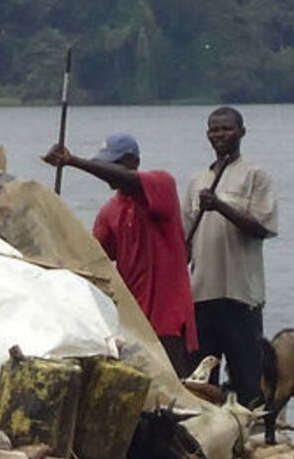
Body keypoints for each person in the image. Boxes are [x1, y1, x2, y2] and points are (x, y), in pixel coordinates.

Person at [43, 133, 196, 375]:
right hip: (132, 319)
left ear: (134, 162)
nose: (107, 172)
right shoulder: (110, 211)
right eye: (104, 165)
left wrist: (74, 161)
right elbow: (91, 259)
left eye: (113, 165)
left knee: (175, 383)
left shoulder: (162, 185)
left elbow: (128, 180)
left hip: (168, 316)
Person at [181, 107, 278, 408]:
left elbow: (261, 228)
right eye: (214, 129)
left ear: (241, 132)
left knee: (247, 379)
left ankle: (250, 430)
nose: (220, 134)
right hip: (202, 295)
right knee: (200, 382)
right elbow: (184, 241)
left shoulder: (255, 176)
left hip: (241, 295)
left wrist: (220, 206)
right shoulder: (197, 181)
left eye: (226, 128)